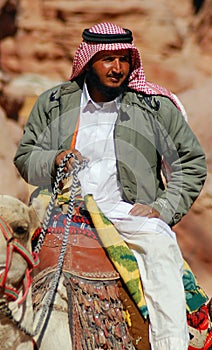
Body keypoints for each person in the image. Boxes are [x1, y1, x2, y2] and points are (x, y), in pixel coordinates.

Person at [14, 22, 207, 350]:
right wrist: (55, 159)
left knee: (162, 256)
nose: (117, 68)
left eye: (123, 59)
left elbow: (191, 163)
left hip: (129, 214)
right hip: (64, 209)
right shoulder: (55, 103)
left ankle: (171, 344)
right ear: (88, 62)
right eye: (107, 59)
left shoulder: (153, 107)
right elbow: (25, 156)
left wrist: (162, 208)